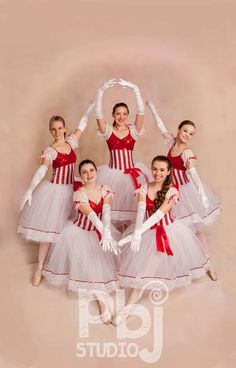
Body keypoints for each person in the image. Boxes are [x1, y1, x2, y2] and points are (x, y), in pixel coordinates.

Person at [113, 156, 211, 326]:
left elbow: (159, 214)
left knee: (146, 269)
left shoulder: (172, 191)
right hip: (147, 231)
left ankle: (129, 306)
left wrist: (136, 234)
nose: (157, 173)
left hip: (168, 232)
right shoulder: (144, 187)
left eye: (162, 170)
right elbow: (141, 210)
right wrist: (136, 233)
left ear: (168, 172)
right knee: (144, 265)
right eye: (155, 169)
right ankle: (131, 302)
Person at [18, 101, 95, 286]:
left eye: (60, 128)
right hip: (56, 192)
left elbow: (82, 125)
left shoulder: (71, 142)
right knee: (49, 231)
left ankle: (69, 265)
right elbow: (42, 170)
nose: (57, 131)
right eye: (53, 129)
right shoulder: (50, 151)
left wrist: (91, 106)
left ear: (65, 128)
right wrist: (30, 189)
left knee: (74, 229)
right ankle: (40, 267)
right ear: (50, 131)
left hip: (73, 188)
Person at [146, 101, 221, 280]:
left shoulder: (187, 153)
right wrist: (152, 108)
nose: (187, 135)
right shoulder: (172, 142)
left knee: (196, 231)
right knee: (174, 230)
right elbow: (160, 126)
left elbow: (194, 174)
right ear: (178, 130)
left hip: (187, 192)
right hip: (171, 191)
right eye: (185, 131)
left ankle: (208, 263)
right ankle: (178, 264)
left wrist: (202, 195)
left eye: (191, 134)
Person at [43, 159, 120, 323]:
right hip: (81, 232)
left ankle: (101, 297)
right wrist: (103, 230)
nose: (89, 174)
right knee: (90, 265)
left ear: (96, 172)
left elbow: (106, 210)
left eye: (92, 170)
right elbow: (91, 214)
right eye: (84, 172)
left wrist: (106, 232)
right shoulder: (79, 193)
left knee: (101, 262)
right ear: (81, 176)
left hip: (100, 232)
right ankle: (101, 300)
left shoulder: (105, 189)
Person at [95, 78, 152, 231]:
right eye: (118, 114)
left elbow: (141, 112)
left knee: (130, 216)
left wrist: (136, 90)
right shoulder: (108, 131)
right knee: (111, 215)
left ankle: (126, 247)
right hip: (112, 175)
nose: (121, 117)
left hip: (131, 174)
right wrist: (101, 92)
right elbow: (98, 114)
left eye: (125, 114)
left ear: (128, 115)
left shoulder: (133, 131)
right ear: (113, 115)